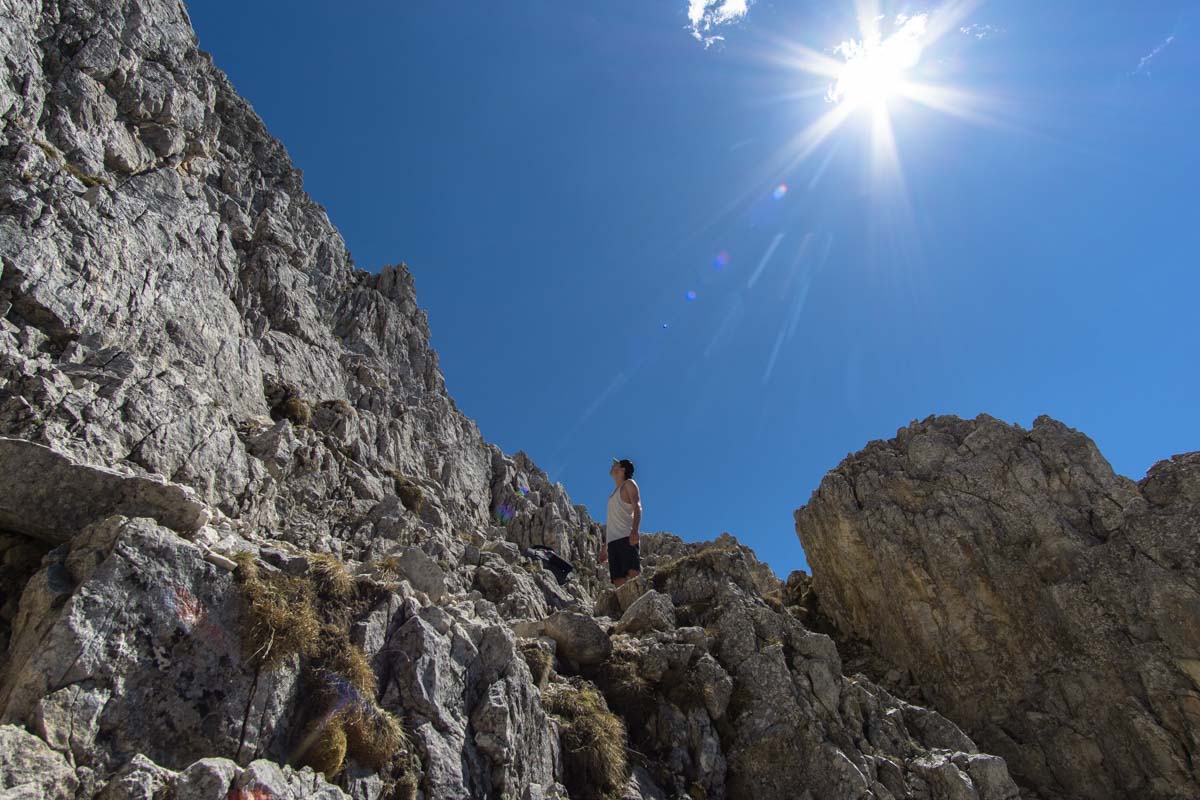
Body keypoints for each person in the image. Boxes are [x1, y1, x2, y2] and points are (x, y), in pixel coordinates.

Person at [599, 457, 641, 587]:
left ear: (622, 469)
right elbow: (611, 522)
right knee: (618, 581)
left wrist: (635, 530)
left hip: (626, 537)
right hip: (612, 543)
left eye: (615, 464)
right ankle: (627, 606)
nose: (612, 466)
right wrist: (605, 548)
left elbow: (637, 507)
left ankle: (643, 602)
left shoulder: (629, 484)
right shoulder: (613, 494)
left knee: (633, 575)